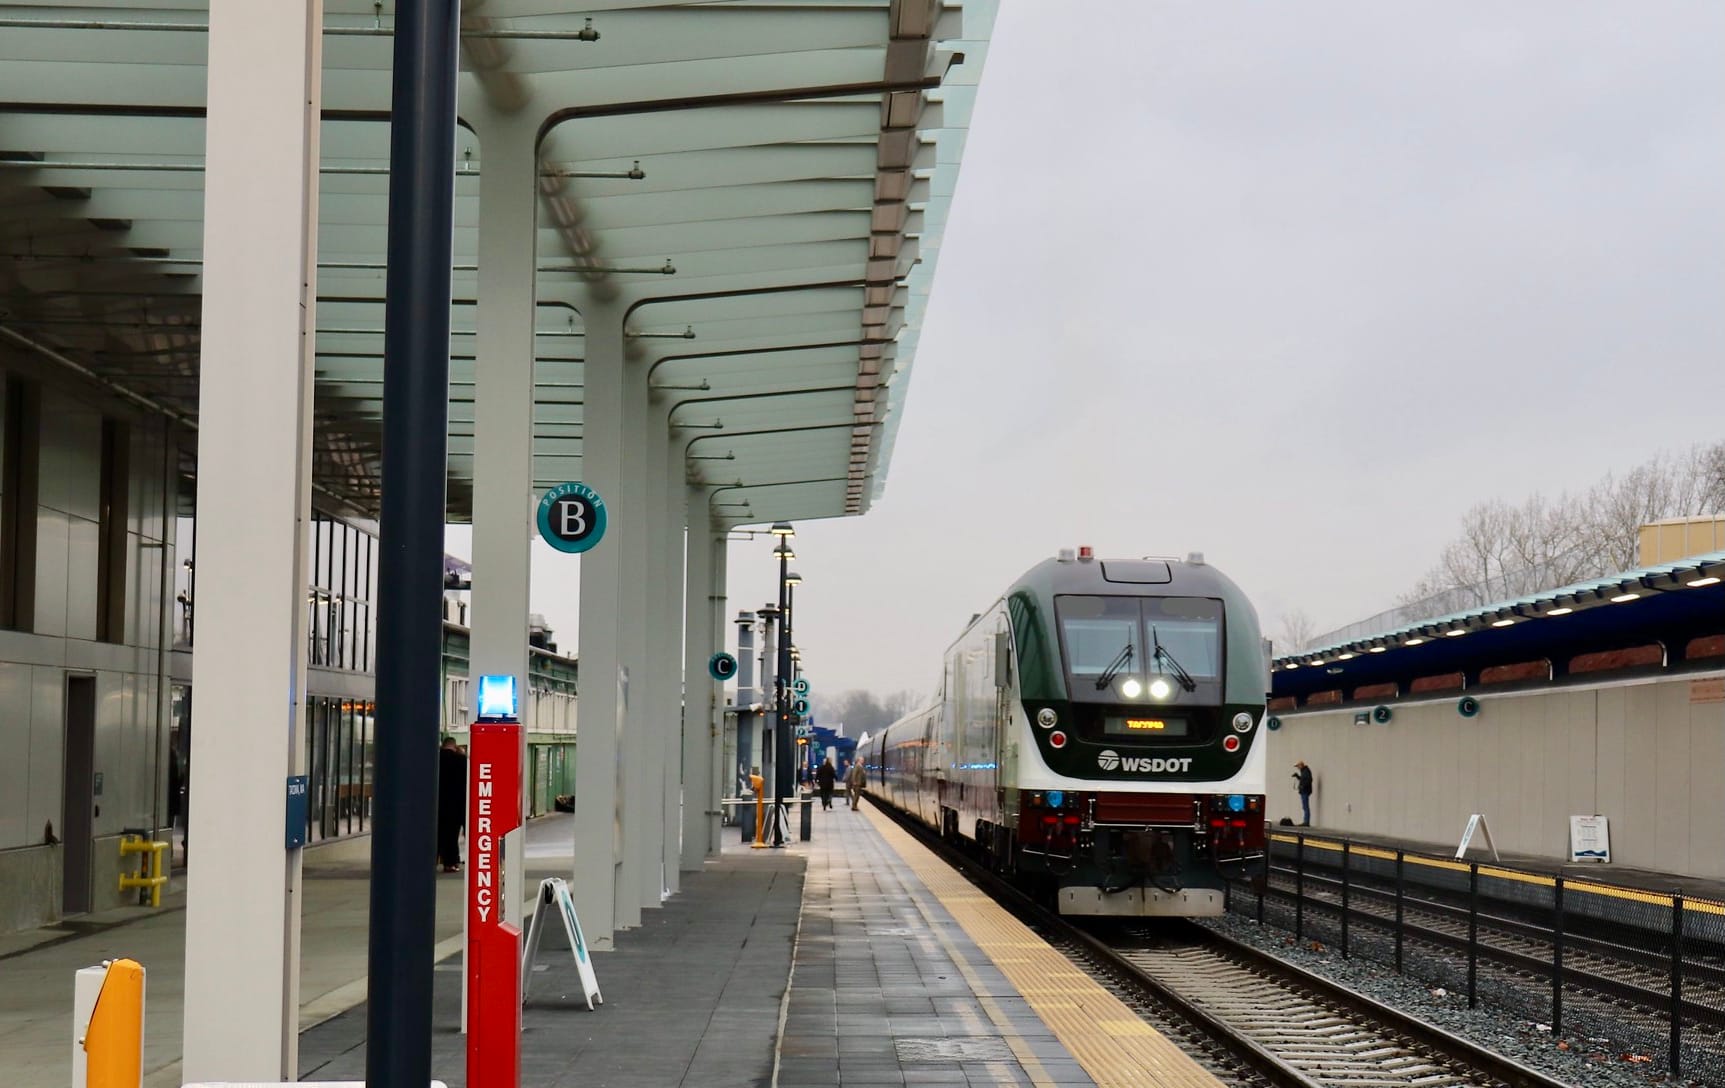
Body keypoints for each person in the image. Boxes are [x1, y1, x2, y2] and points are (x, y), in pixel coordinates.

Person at [437, 735, 467, 872]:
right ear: (454, 746)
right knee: (451, 835)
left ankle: (434, 860)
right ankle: (450, 862)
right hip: (456, 805)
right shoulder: (460, 760)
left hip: (436, 804)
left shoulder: (435, 758)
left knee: (437, 833)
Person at [1292, 760, 1313, 826]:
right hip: (1304, 791)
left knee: (1305, 807)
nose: (1297, 768)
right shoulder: (1304, 771)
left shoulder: (1306, 771)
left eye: (1298, 766)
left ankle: (1306, 822)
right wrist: (1297, 776)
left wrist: (1303, 786)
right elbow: (1303, 779)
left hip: (1305, 791)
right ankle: (1306, 821)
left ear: (1301, 765)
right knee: (1305, 806)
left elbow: (1309, 780)